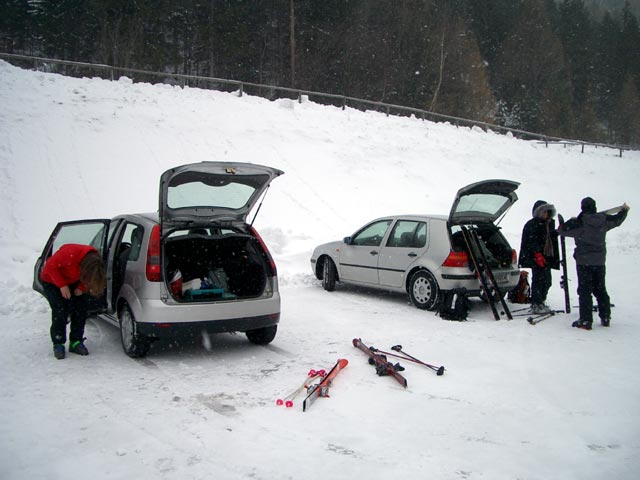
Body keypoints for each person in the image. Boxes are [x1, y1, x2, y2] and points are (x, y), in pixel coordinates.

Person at [559, 198, 630, 330]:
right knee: (600, 289)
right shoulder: (603, 220)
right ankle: (605, 317)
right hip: (599, 262)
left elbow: (562, 230)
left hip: (584, 262)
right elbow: (617, 221)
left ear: (582, 207)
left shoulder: (580, 223)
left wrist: (573, 219)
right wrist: (624, 211)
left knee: (585, 291)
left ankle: (585, 320)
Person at [40, 244, 106, 359]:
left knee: (81, 309)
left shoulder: (95, 262)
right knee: (60, 309)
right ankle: (58, 343)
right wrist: (62, 285)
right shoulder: (69, 253)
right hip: (51, 280)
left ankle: (76, 341)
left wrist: (81, 287)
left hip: (73, 281)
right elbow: (50, 267)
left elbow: (90, 278)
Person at [518, 200, 560, 313]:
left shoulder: (548, 224)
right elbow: (531, 241)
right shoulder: (532, 224)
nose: (545, 214)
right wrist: (537, 254)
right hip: (535, 258)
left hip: (546, 257)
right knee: (538, 280)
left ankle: (540, 301)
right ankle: (536, 303)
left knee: (547, 281)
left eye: (547, 212)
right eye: (543, 212)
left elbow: (552, 238)